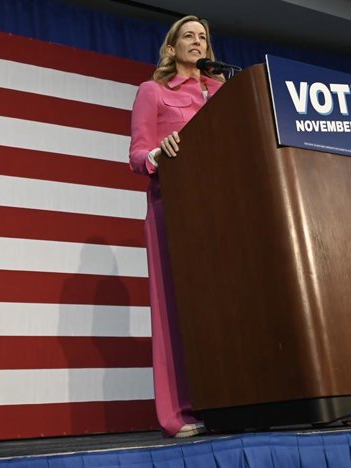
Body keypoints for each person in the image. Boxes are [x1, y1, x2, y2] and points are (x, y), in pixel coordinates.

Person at [128, 16, 225, 438]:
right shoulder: (153, 91)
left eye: (202, 37)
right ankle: (178, 412)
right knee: (175, 309)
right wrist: (159, 154)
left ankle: (232, 400)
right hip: (175, 207)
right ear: (170, 49)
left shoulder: (225, 93)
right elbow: (136, 155)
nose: (197, 41)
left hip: (227, 207)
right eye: (188, 35)